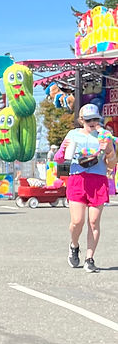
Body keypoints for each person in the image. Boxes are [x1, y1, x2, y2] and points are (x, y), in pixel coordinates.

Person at [57, 103, 116, 272]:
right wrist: (62, 152)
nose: (92, 122)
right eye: (88, 119)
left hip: (98, 181)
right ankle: (74, 245)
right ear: (81, 120)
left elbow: (111, 164)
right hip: (77, 179)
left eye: (95, 119)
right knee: (77, 221)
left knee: (94, 222)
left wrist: (110, 151)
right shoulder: (73, 134)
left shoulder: (105, 135)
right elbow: (60, 159)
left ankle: (90, 258)